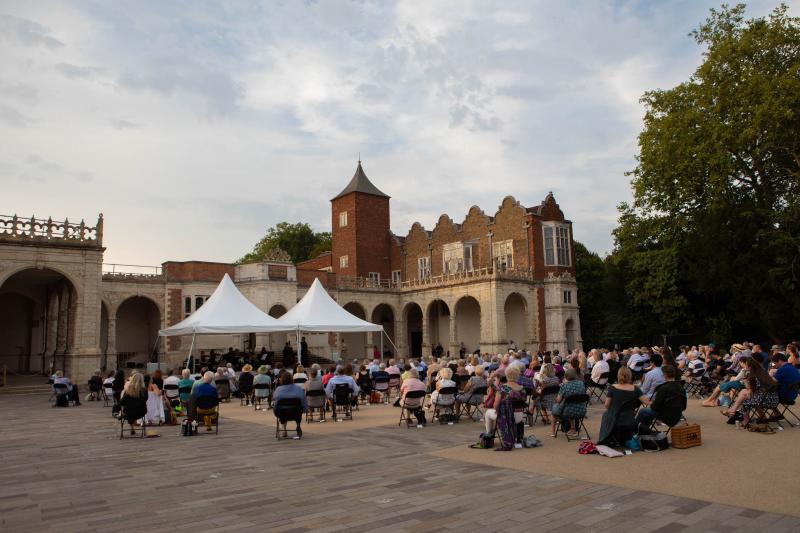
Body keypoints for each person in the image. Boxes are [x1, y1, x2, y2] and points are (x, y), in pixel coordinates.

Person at [598, 367, 650, 446]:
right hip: (629, 419)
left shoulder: (612, 388)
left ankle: (606, 438)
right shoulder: (636, 389)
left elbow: (607, 405)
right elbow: (646, 402)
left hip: (615, 419)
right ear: (630, 376)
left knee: (606, 414)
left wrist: (613, 410)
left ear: (618, 376)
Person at [635, 365, 686, 430]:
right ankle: (644, 430)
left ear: (664, 375)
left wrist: (650, 403)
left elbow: (655, 407)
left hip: (665, 415)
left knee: (643, 411)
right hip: (677, 415)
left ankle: (635, 429)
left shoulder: (663, 388)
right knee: (648, 413)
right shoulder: (681, 387)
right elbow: (684, 406)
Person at [489, 365, 527, 451]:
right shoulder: (522, 389)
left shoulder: (502, 388)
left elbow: (495, 405)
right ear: (518, 375)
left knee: (488, 414)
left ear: (506, 375)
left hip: (506, 417)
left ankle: (489, 436)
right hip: (519, 416)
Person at [550, 368, 587, 438]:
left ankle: (553, 432)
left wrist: (556, 397)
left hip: (568, 411)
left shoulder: (564, 386)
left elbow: (558, 400)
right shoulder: (581, 384)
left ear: (566, 377)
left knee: (554, 409)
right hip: (582, 410)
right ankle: (573, 429)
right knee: (571, 404)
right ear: (575, 376)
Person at [273, 372, 307, 437]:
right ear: (292, 379)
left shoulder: (278, 389)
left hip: (282, 413)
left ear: (282, 380)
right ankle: (298, 425)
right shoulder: (298, 389)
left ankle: (284, 429)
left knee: (281, 409)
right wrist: (304, 409)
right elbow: (303, 401)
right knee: (298, 408)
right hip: (296, 413)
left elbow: (274, 399)